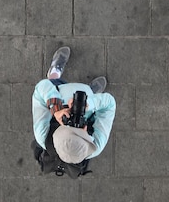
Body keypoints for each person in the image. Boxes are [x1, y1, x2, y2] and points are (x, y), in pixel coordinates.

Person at [32, 46, 116, 177]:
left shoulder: (42, 135)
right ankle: (90, 91)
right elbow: (109, 104)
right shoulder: (96, 146)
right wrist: (91, 102)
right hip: (90, 99)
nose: (82, 126)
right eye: (84, 134)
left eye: (70, 125)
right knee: (87, 93)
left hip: (59, 90)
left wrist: (56, 109)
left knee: (52, 82)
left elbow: (41, 88)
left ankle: (54, 73)